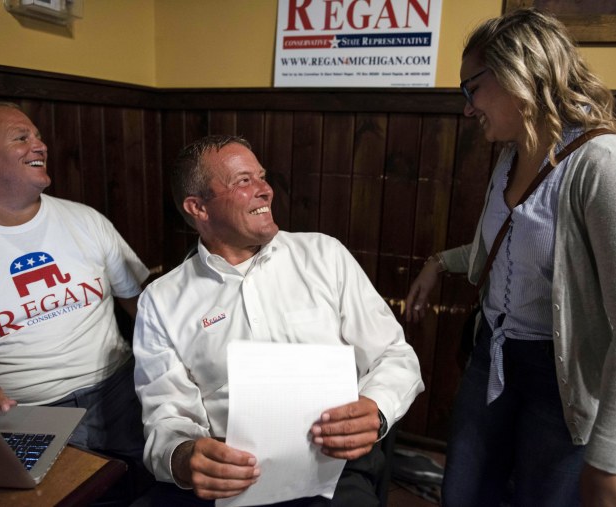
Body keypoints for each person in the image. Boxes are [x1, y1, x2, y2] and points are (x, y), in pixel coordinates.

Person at [404, 8, 616, 507]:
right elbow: (515, 249)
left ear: (518, 74)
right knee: (463, 494)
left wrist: (608, 463)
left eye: (471, 89)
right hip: (494, 356)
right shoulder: (511, 155)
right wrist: (439, 262)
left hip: (561, 377)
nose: (467, 108)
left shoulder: (610, 167)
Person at [132, 134, 424, 506]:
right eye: (243, 181)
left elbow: (395, 356)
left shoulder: (324, 255)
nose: (265, 190)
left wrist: (375, 409)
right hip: (232, 478)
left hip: (334, 468)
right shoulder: (162, 300)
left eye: (261, 176)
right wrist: (185, 457)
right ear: (198, 208)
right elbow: (167, 414)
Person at [0, 101, 150, 462]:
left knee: (164, 479)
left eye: (38, 136)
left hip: (119, 389)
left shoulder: (86, 221)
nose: (40, 145)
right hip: (21, 411)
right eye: (21, 138)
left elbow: (140, 302)